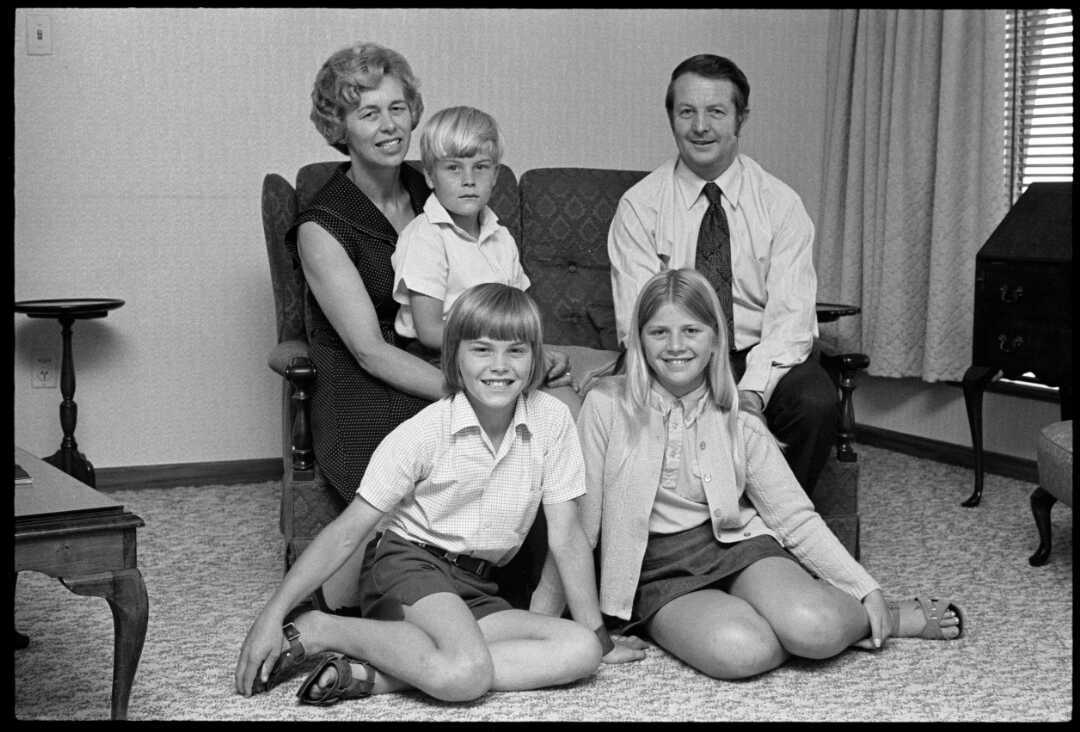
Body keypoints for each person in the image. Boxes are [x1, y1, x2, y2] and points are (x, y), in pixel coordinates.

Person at [533, 268, 963, 680]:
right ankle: (774, 620)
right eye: (659, 332)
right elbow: (578, 528)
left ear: (716, 339)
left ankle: (885, 612)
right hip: (654, 572)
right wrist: (542, 625)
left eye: (691, 331)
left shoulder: (737, 417)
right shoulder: (606, 406)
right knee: (744, 650)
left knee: (816, 628)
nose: (675, 345)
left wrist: (864, 587)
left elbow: (794, 517)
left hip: (736, 545)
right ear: (639, 341)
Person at [235, 283, 644, 704]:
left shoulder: (552, 420)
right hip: (407, 565)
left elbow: (567, 537)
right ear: (455, 358)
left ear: (535, 358)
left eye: (516, 351)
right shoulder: (426, 431)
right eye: (481, 350)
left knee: (580, 652)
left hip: (477, 585)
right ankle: (324, 627)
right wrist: (274, 613)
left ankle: (384, 675)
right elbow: (348, 530)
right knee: (466, 675)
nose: (499, 366)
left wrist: (601, 637)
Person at [287, 42, 568, 604]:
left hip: (451, 360)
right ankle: (373, 595)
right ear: (339, 128)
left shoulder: (437, 184)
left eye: (397, 108)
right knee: (438, 456)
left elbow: (490, 279)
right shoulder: (322, 225)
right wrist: (467, 390)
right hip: (367, 384)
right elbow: (368, 350)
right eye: (368, 113)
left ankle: (521, 585)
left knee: (538, 425)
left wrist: (502, 369)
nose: (389, 127)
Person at [606, 54, 836, 498]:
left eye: (716, 112)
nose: (700, 127)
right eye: (686, 111)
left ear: (740, 119)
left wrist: (751, 392)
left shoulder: (780, 204)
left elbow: (791, 319)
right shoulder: (640, 205)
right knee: (635, 406)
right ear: (671, 117)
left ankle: (774, 524)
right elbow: (638, 319)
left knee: (816, 403)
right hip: (674, 349)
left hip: (760, 352)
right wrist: (690, 378)